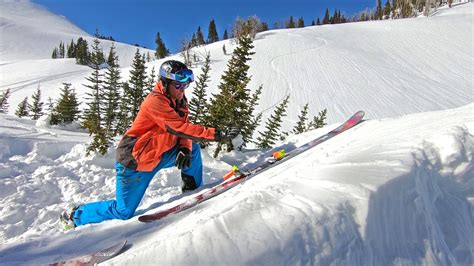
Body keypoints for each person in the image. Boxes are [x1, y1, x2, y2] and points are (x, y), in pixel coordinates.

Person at [60, 60, 239, 230]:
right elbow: (178, 127)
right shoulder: (155, 101)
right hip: (136, 161)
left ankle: (192, 190)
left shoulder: (180, 102)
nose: (182, 90)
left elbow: (183, 129)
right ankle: (76, 215)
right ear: (165, 83)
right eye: (178, 86)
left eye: (185, 86)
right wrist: (217, 134)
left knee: (193, 148)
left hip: (160, 154)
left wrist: (184, 148)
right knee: (123, 212)